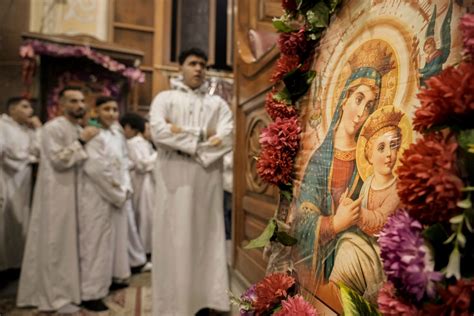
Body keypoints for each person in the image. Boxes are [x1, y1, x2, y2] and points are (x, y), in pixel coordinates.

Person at [292, 42, 394, 309]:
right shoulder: (320, 159)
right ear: (343, 98)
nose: (362, 113)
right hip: (319, 273)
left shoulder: (370, 160)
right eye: (358, 99)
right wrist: (334, 224)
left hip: (353, 266)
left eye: (370, 106)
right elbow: (301, 221)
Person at [149, 47, 233, 315]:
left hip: (206, 182)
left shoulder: (217, 105)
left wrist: (182, 138)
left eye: (203, 64)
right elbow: (159, 133)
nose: (199, 68)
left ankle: (203, 303)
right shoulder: (164, 98)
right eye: (193, 63)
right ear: (180, 68)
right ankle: (172, 305)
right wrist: (202, 137)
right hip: (173, 182)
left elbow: (228, 137)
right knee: (173, 239)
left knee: (205, 240)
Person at [17, 86, 99, 313]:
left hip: (73, 192)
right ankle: (54, 297)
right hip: (56, 194)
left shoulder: (75, 127)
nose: (79, 106)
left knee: (67, 243)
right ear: (62, 105)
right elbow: (58, 160)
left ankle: (66, 291)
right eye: (73, 101)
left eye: (82, 101)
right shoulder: (53, 128)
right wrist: (82, 141)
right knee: (55, 242)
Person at [329, 106, 404, 303]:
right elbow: (362, 212)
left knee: (349, 249)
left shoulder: (398, 188)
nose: (389, 154)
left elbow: (380, 220)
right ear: (369, 155)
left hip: (386, 252)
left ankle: (348, 302)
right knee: (345, 244)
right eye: (382, 147)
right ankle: (341, 301)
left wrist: (358, 214)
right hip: (368, 244)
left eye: (393, 146)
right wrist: (348, 205)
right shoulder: (369, 182)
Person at [78, 96, 131, 311]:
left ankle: (111, 278)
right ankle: (91, 293)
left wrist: (126, 187)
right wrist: (117, 193)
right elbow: (96, 169)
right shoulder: (94, 134)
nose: (111, 113)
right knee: (95, 244)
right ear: (96, 111)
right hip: (98, 196)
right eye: (106, 109)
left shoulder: (117, 134)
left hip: (118, 193)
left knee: (115, 241)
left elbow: (125, 162)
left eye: (114, 109)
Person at [0, 97, 41, 273]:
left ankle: (16, 265)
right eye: (24, 107)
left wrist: (38, 129)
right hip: (5, 178)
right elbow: (6, 154)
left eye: (30, 107)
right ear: (12, 110)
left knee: (20, 222)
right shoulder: (2, 126)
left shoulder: (27, 130)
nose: (29, 111)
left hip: (23, 181)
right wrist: (27, 158)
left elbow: (39, 150)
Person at [120, 112, 157, 256]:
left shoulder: (144, 144)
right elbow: (142, 165)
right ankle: (143, 249)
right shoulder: (134, 143)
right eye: (148, 129)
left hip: (146, 182)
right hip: (140, 182)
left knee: (147, 216)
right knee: (142, 216)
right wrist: (158, 155)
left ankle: (147, 248)